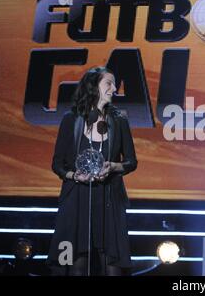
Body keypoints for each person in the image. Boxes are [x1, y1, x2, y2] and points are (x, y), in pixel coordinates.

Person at [47, 66, 138, 276]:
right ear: (93, 87)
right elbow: (57, 163)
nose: (114, 88)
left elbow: (131, 162)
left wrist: (113, 166)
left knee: (113, 268)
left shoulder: (119, 121)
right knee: (76, 265)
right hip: (77, 200)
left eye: (114, 84)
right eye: (109, 83)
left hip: (109, 200)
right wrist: (73, 175)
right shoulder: (71, 120)